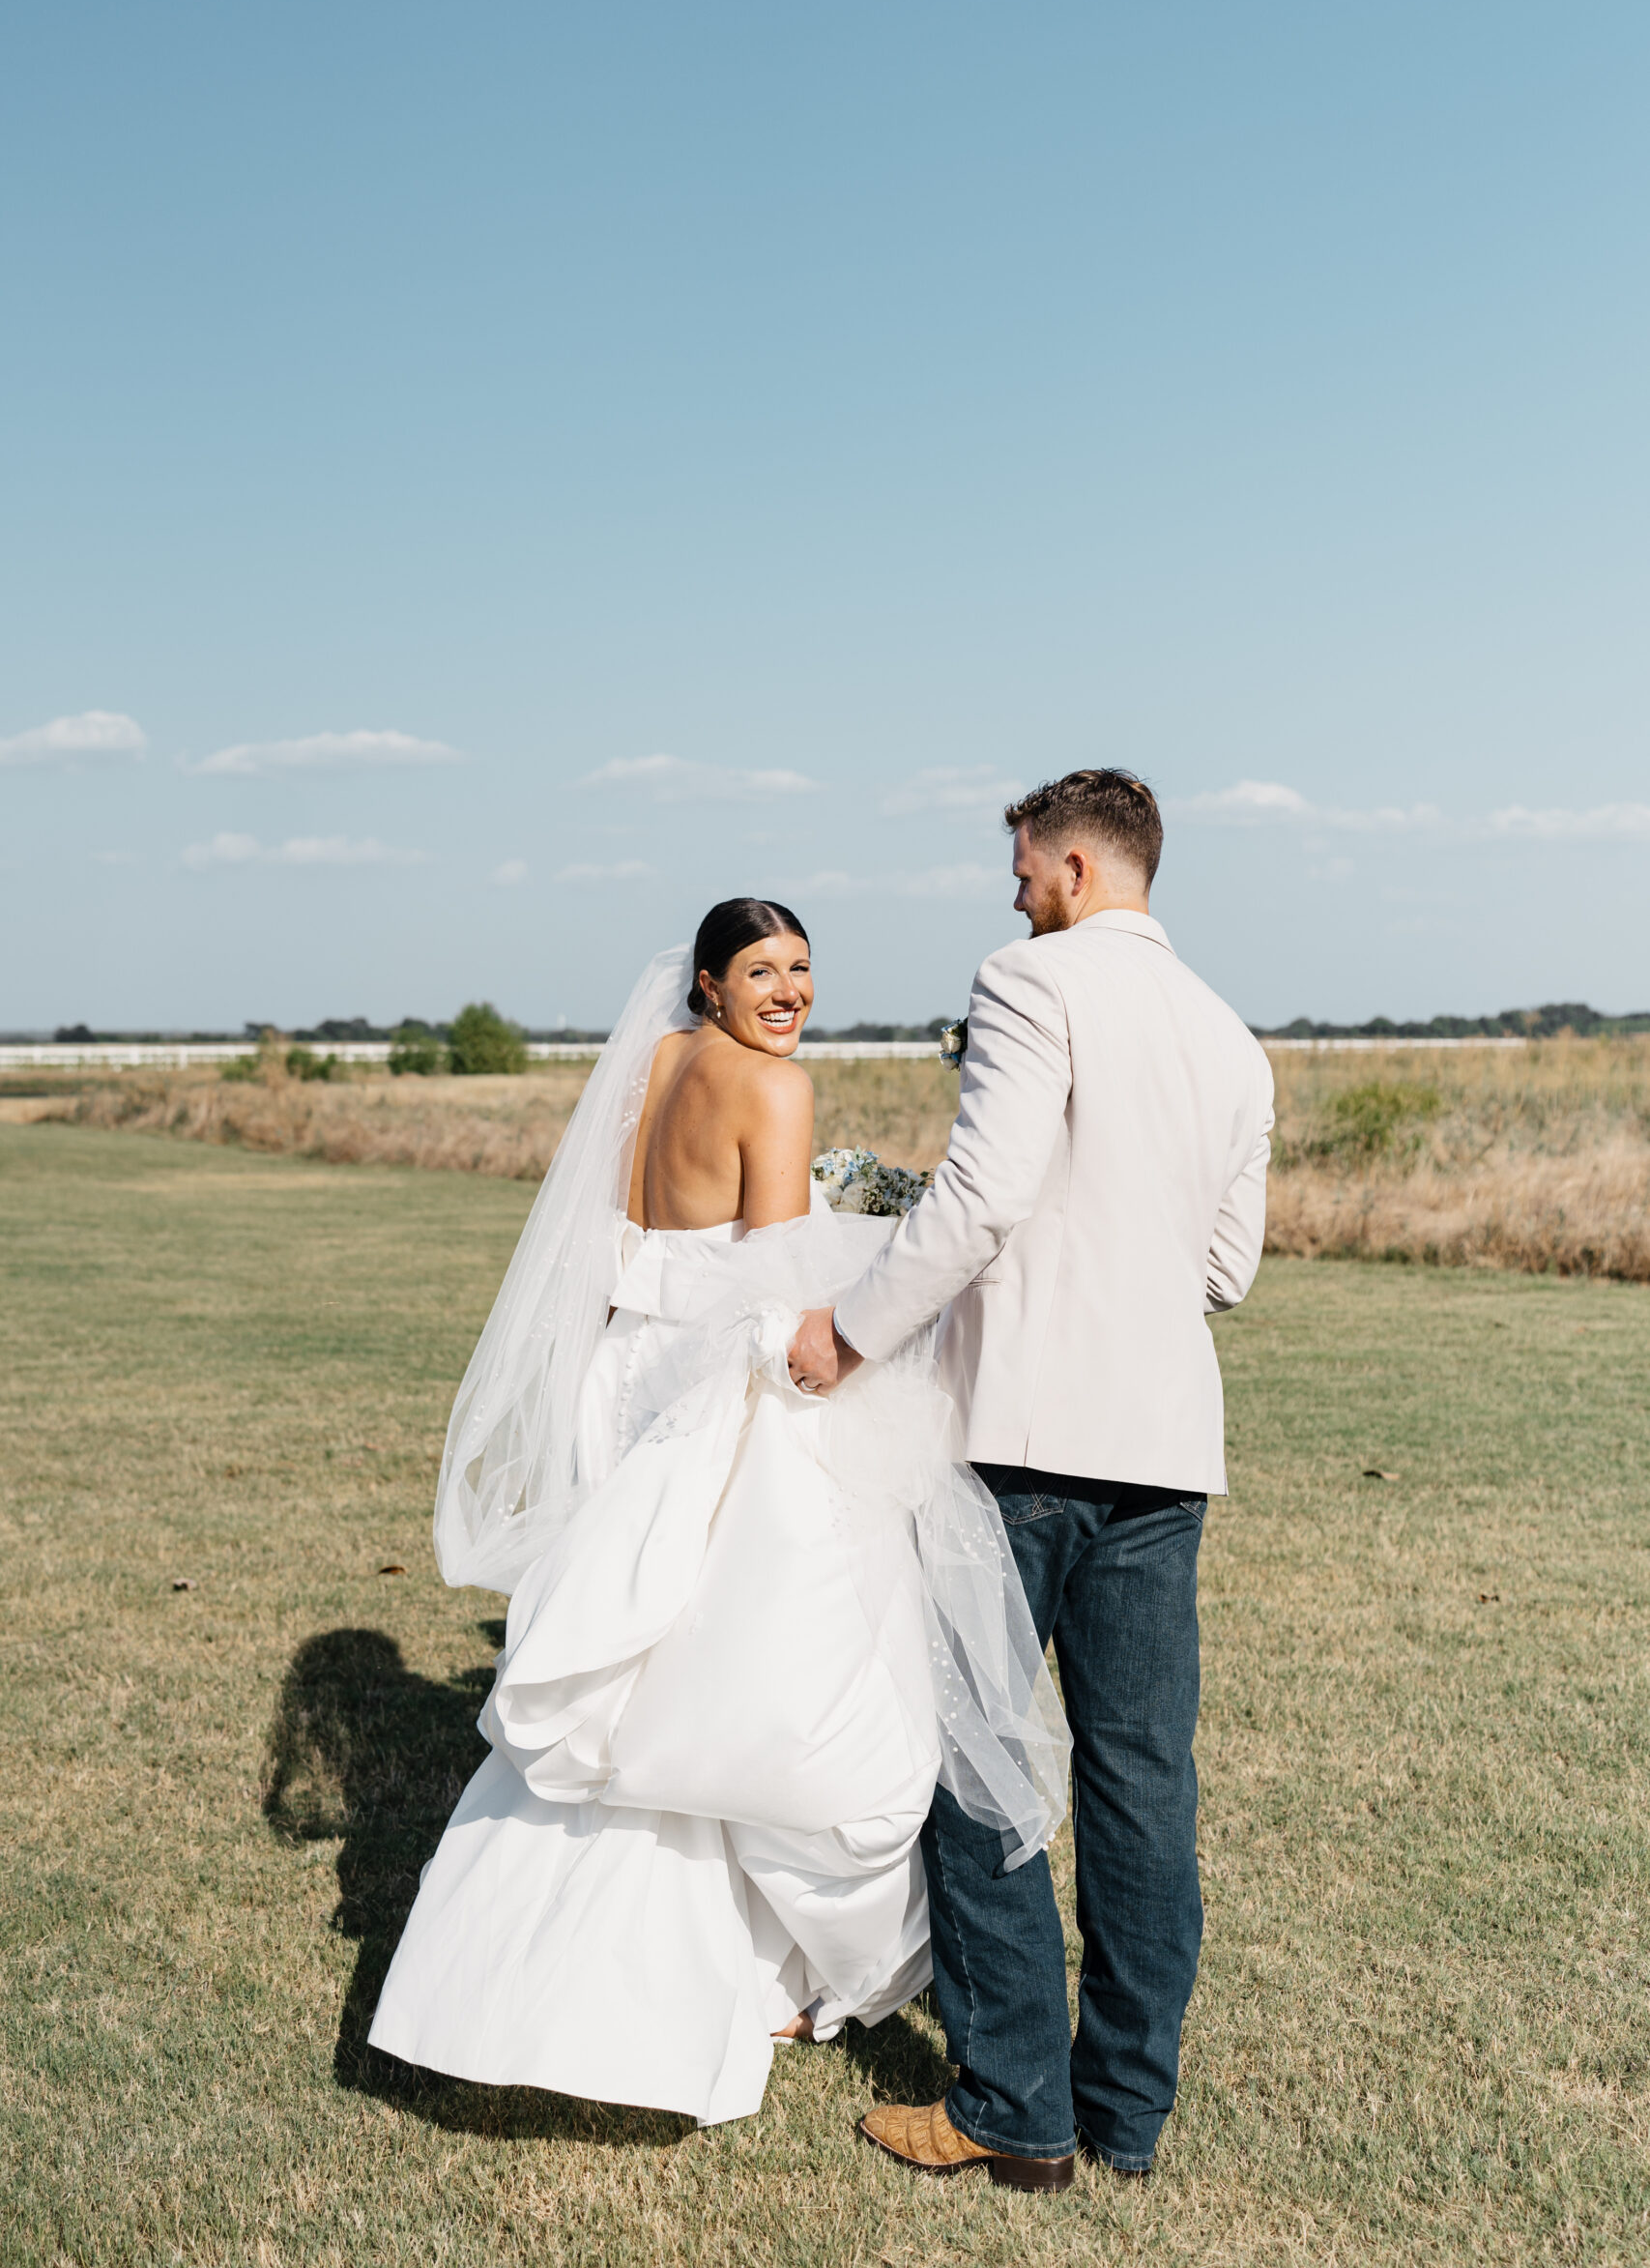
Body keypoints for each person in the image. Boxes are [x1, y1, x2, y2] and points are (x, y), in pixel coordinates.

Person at [367, 899, 1067, 2138]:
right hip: (717, 1392)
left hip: (626, 1375)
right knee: (772, 1671)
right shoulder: (774, 1090)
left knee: (635, 1664)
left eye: (802, 968)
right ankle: (779, 1965)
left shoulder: (646, 1067)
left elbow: (622, 1237)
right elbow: (779, 1274)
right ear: (707, 980)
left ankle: (543, 1976)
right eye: (762, 970)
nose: (790, 990)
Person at [790, 771, 1274, 2192]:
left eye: (1018, 868)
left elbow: (985, 1192)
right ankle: (1123, 2116)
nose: (1010, 892)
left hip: (1020, 1446)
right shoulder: (1231, 1039)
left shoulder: (1029, 980)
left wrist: (853, 1330)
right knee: (1141, 1782)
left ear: (1069, 865)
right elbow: (1223, 1268)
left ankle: (1011, 2103)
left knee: (977, 1764)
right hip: (1166, 1449)